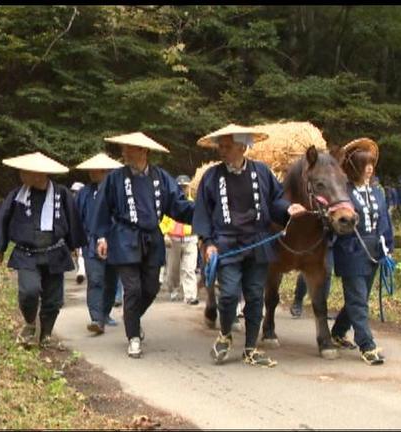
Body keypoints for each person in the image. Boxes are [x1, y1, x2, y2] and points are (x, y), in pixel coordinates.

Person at [194, 124, 307, 368]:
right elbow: (202, 211)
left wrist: (288, 209)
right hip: (226, 243)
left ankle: (250, 348)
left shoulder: (262, 172)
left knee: (256, 296)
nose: (222, 151)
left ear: (242, 147)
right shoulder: (212, 177)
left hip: (257, 242)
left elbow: (276, 200)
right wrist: (208, 243)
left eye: (227, 146)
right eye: (220, 146)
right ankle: (225, 334)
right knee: (229, 294)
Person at [92, 132, 195, 358]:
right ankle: (134, 337)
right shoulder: (115, 178)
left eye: (130, 149)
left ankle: (132, 319)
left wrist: (202, 215)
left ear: (143, 151)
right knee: (133, 288)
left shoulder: (161, 177)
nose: (125, 153)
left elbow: (178, 205)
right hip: (123, 237)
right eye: (124, 148)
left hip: (152, 239)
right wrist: (101, 236)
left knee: (151, 288)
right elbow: (101, 208)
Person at [0, 152, 86, 348]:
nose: (20, 175)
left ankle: (46, 334)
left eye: (24, 172)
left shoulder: (61, 194)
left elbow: (72, 220)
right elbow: (3, 219)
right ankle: (29, 323)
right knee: (29, 291)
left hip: (55, 252)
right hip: (26, 253)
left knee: (53, 298)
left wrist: (73, 246)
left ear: (38, 174)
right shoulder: (17, 195)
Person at [330, 137, 394, 365]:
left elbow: (385, 222)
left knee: (359, 298)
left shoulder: (377, 192)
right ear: (354, 166)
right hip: (350, 250)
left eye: (371, 164)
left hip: (374, 252)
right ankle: (367, 344)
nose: (369, 168)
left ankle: (337, 331)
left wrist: (388, 247)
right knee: (358, 300)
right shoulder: (343, 192)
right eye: (364, 163)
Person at [74, 153, 124, 335]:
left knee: (111, 282)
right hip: (91, 242)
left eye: (96, 170)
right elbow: (77, 218)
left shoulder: (118, 192)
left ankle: (104, 313)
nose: (92, 173)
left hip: (114, 242)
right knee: (95, 280)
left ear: (105, 171)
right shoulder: (84, 193)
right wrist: (75, 241)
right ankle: (96, 318)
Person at [159, 174, 199, 305]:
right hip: (174, 239)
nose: (182, 188)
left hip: (191, 238)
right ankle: (174, 289)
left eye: (185, 186)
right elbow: (163, 221)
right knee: (173, 270)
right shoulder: (170, 204)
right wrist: (165, 235)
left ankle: (190, 295)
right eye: (180, 186)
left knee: (189, 268)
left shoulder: (193, 202)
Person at [70, 182, 87, 285]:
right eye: (73, 192)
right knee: (77, 253)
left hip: (85, 231)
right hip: (75, 230)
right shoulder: (71, 203)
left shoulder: (86, 202)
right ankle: (80, 271)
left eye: (76, 191)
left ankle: (81, 271)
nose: (74, 194)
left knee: (81, 253)